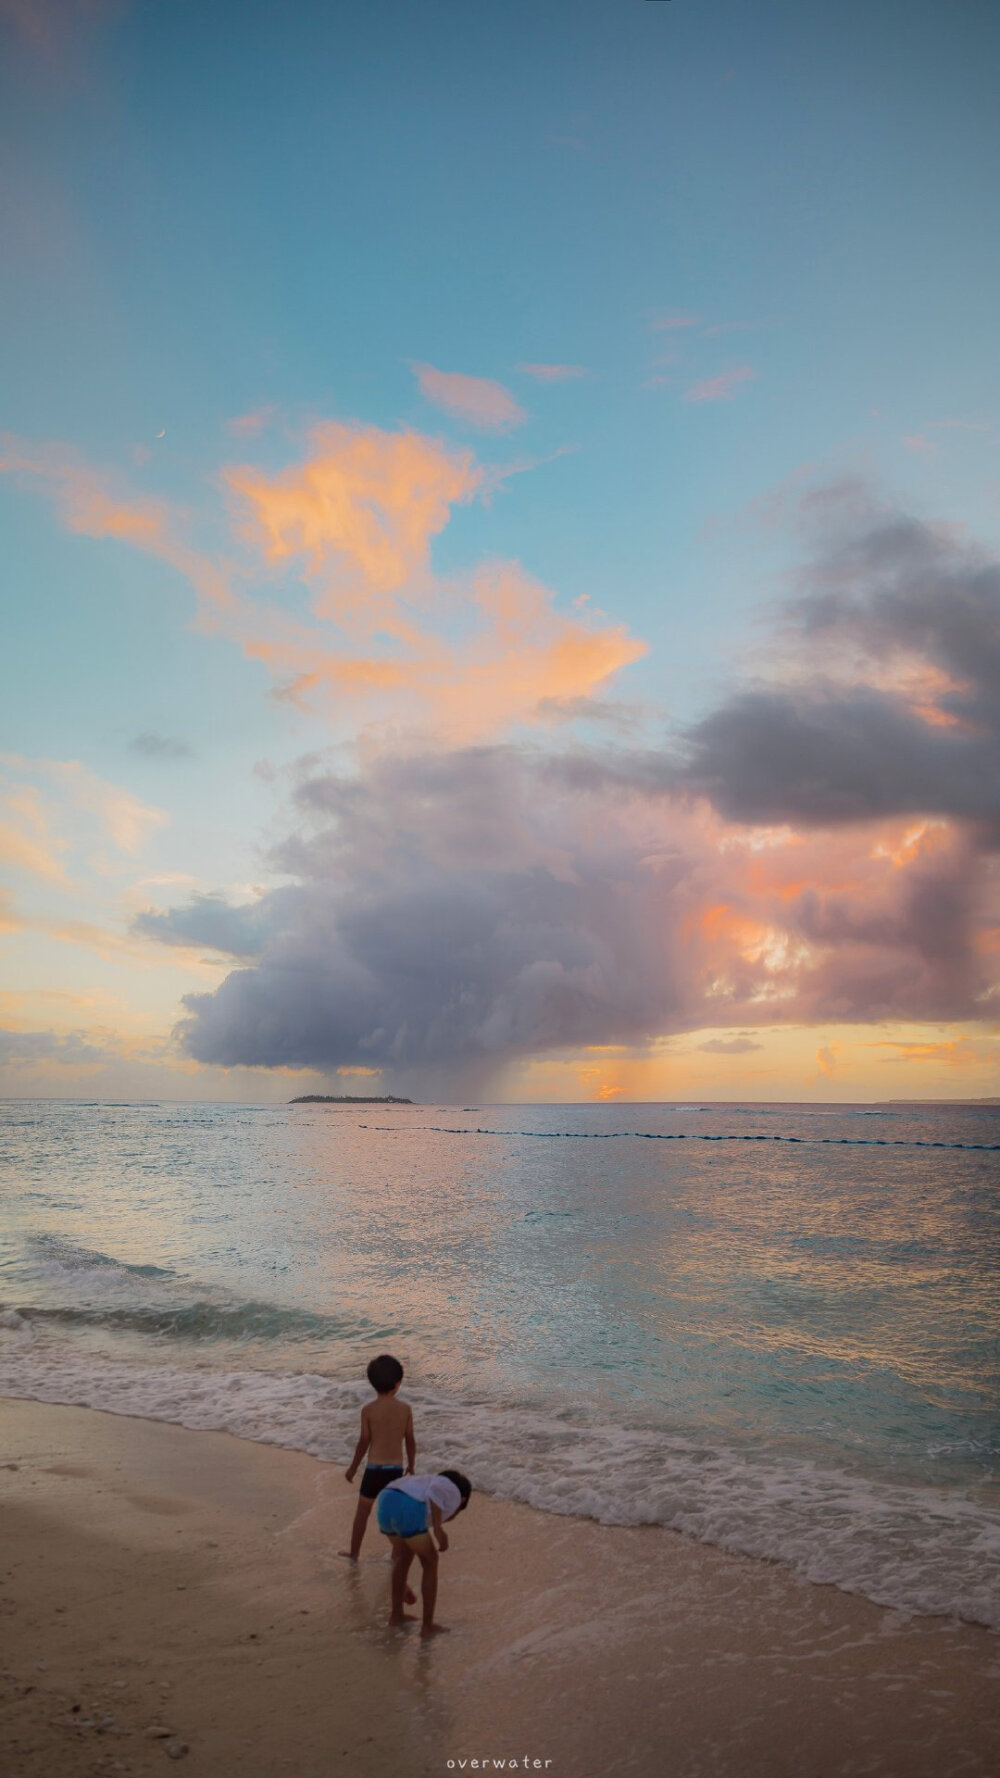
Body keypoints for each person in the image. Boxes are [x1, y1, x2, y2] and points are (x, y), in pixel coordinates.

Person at [376, 1469, 471, 1636]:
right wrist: (439, 1529)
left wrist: (402, 1585)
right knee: (430, 1561)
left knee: (403, 1558)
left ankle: (396, 1616)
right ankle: (428, 1626)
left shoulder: (420, 1482)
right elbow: (436, 1491)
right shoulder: (452, 1488)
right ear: (462, 1500)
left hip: (385, 1501)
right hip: (408, 1506)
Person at [341, 1354, 416, 1563]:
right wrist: (412, 1464)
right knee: (395, 1515)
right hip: (395, 1471)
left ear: (373, 1383)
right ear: (397, 1383)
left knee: (362, 1514)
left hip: (374, 1470)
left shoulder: (368, 1411)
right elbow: (410, 1439)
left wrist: (353, 1468)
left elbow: (363, 1442)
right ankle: (397, 1553)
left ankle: (354, 1553)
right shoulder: (405, 1409)